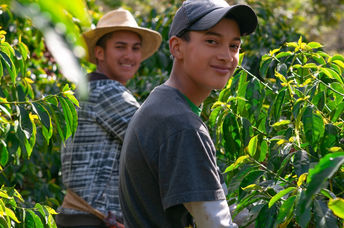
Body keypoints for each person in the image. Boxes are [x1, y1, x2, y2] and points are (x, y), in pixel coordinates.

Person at [119, 0, 258, 227]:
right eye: (212, 41)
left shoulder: (163, 103)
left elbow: (223, 204)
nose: (226, 56)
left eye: (234, 46)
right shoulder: (180, 125)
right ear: (177, 47)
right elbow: (217, 224)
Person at [56, 8, 162, 228]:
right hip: (94, 219)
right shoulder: (107, 91)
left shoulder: (85, 90)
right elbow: (157, 145)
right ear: (100, 53)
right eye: (120, 47)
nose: (130, 56)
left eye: (135, 48)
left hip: (78, 216)